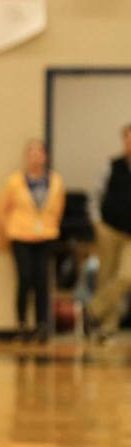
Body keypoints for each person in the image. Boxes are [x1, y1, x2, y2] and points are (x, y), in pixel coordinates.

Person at [0, 139, 65, 343]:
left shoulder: (55, 181)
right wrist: (9, 230)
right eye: (32, 153)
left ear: (45, 156)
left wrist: (50, 226)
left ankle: (42, 324)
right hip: (21, 236)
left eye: (39, 153)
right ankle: (22, 324)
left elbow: (58, 209)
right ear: (27, 157)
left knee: (42, 281)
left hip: (45, 236)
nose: (36, 157)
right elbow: (1, 209)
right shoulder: (15, 181)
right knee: (25, 278)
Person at [87, 124, 131, 345]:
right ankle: (108, 326)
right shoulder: (112, 165)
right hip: (110, 230)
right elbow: (96, 193)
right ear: (124, 141)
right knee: (107, 276)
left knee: (125, 276)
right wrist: (96, 221)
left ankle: (93, 309)